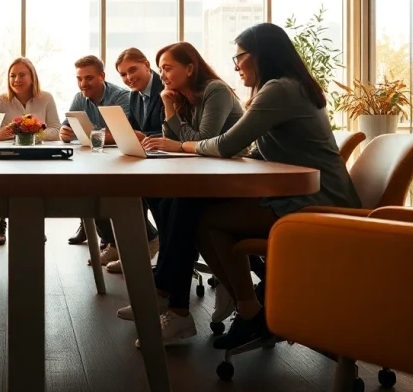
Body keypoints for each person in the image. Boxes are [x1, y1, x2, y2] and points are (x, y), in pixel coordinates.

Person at [189, 23, 360, 350]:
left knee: (206, 222)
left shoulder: (280, 89)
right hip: (316, 195)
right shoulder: (290, 87)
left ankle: (251, 311)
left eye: (239, 57)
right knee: (205, 213)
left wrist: (182, 146)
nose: (236, 66)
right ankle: (257, 304)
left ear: (260, 55)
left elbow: (226, 144)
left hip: (317, 203)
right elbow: (258, 150)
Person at [115, 42, 244, 345]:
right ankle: (174, 307)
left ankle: (165, 296)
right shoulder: (182, 96)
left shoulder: (215, 90)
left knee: (182, 205)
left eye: (167, 68)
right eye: (161, 69)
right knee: (164, 201)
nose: (163, 75)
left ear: (190, 68)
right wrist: (170, 106)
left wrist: (171, 115)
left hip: (235, 180)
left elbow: (203, 141)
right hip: (208, 176)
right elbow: (172, 139)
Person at [95, 48, 165, 274]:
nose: (128, 78)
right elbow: (133, 129)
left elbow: (172, 132)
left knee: (129, 191)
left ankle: (146, 251)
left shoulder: (166, 88)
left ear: (147, 64)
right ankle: (130, 250)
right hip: (147, 157)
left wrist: (144, 137)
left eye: (132, 70)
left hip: (168, 159)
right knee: (108, 185)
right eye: (123, 75)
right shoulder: (135, 96)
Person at [0, 57, 62, 245]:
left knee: (36, 186)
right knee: (3, 183)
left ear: (32, 77)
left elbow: (56, 131)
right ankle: (0, 224)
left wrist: (30, 132)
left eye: (21, 75)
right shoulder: (1, 100)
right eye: (12, 76)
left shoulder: (46, 98)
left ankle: (36, 225)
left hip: (37, 156)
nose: (16, 80)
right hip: (6, 156)